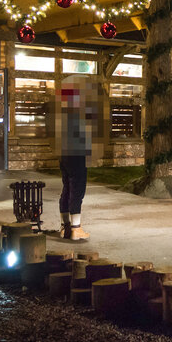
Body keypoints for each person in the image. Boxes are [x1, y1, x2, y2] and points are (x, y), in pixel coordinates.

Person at [56, 76, 98, 240]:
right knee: (77, 189)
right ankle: (75, 228)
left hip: (64, 154)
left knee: (67, 188)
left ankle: (65, 226)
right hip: (76, 153)